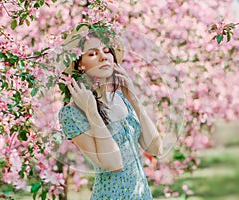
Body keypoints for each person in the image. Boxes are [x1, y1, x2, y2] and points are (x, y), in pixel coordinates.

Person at [58, 23, 163, 200]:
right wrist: (92, 112)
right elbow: (114, 163)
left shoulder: (121, 99)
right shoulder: (72, 114)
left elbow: (155, 148)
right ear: (80, 65)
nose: (102, 57)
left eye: (107, 51)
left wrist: (134, 99)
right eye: (92, 54)